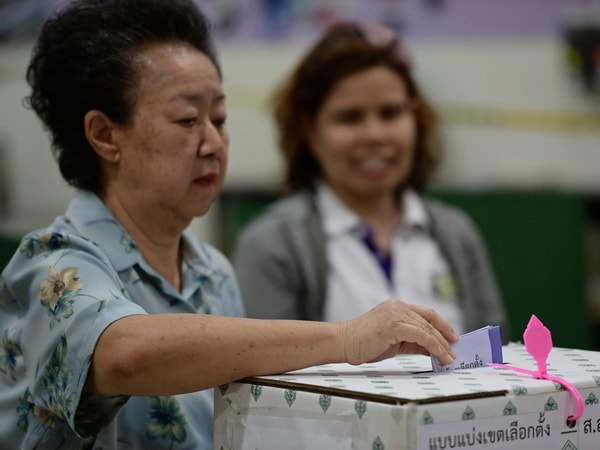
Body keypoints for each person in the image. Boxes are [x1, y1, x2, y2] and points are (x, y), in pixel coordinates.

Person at [0, 1, 459, 448]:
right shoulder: (52, 264)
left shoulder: (212, 271)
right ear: (104, 135)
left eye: (219, 118)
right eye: (187, 120)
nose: (214, 143)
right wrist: (346, 338)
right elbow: (125, 356)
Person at [233, 22, 508, 338]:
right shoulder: (273, 244)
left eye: (390, 113)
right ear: (310, 131)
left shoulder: (457, 235)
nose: (375, 136)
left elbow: (495, 360)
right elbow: (268, 376)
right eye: (350, 117)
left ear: (414, 117)